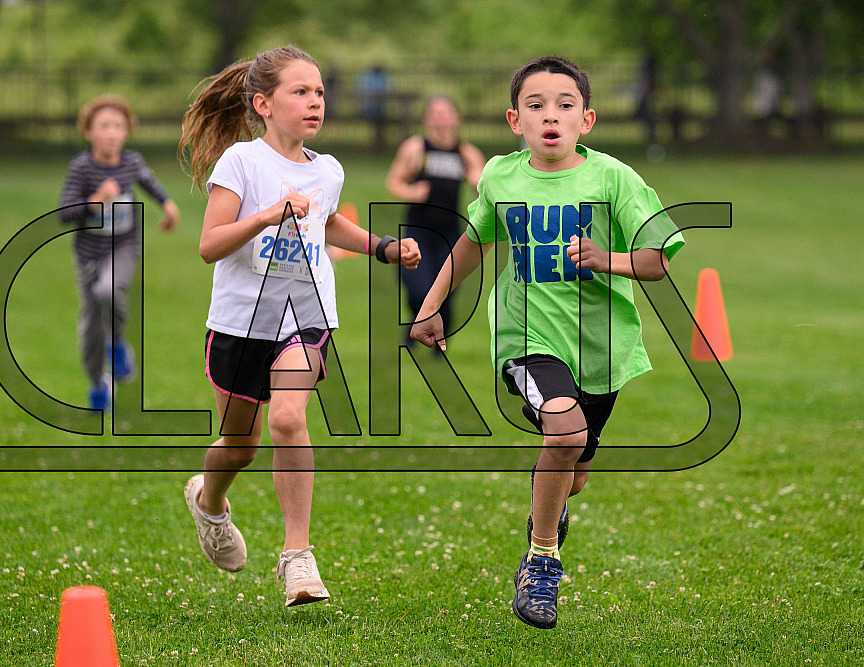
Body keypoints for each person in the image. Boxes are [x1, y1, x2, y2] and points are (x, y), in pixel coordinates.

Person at [410, 56, 684, 630]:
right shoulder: (501, 178)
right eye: (535, 106)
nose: (550, 116)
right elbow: (472, 243)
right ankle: (541, 562)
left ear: (587, 119)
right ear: (515, 120)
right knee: (565, 433)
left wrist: (606, 258)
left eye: (565, 105)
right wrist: (430, 306)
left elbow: (658, 259)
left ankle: (550, 513)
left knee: (574, 471)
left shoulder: (614, 178)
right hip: (526, 336)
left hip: (601, 349)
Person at [178, 45, 420, 607]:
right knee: (239, 447)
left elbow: (327, 222)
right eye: (301, 92)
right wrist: (266, 215)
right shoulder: (240, 162)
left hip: (304, 317)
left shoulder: (327, 169)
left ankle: (297, 557)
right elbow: (210, 244)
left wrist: (382, 247)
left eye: (320, 93)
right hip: (240, 322)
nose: (315, 102)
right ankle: (209, 502)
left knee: (288, 417)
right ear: (264, 104)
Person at [59, 94, 180, 410]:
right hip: (89, 255)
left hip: (123, 247)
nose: (111, 133)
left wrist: (167, 205)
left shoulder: (131, 163)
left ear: (127, 131)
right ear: (89, 132)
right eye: (104, 126)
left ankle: (117, 344)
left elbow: (148, 182)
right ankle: (98, 382)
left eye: (118, 126)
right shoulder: (82, 168)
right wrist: (96, 199)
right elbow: (65, 213)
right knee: (91, 328)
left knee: (108, 290)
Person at [385, 95, 484, 346]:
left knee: (447, 291)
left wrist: (477, 182)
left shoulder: (467, 153)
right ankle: (416, 322)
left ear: (456, 118)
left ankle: (440, 341)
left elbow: (486, 189)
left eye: (446, 113)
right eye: (435, 113)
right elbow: (394, 181)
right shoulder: (415, 149)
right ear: (427, 119)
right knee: (418, 288)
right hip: (418, 230)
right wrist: (411, 192)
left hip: (451, 232)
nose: (441, 119)